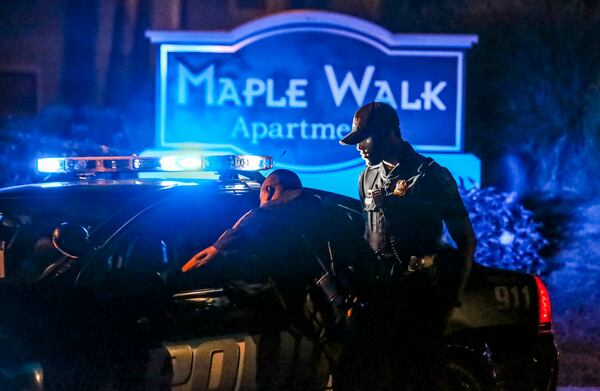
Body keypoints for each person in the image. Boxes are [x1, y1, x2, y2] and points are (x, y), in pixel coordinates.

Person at [182, 169, 376, 390]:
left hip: (302, 325)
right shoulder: (330, 208)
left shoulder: (263, 217)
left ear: (269, 189)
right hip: (349, 316)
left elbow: (203, 261)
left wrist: (174, 278)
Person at [339, 101, 477, 389]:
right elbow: (367, 238)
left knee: (417, 378)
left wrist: (448, 302)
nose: (359, 147)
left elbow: (465, 239)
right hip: (377, 298)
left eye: (363, 139)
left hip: (418, 296)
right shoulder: (367, 177)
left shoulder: (430, 175)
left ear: (389, 134)